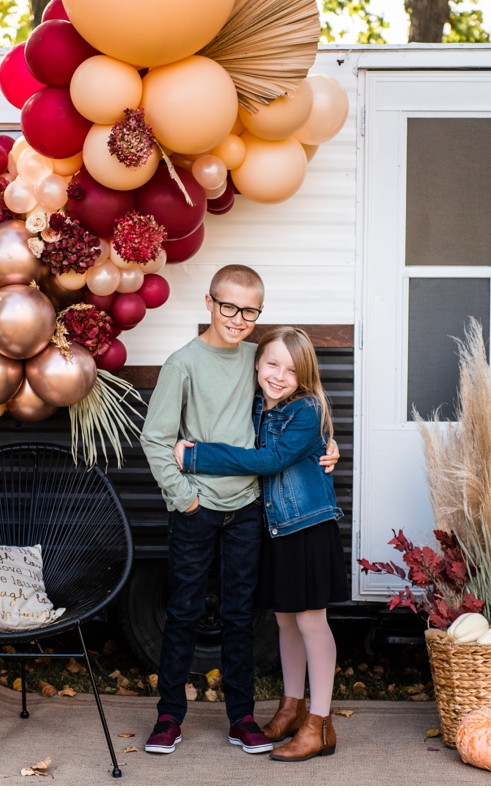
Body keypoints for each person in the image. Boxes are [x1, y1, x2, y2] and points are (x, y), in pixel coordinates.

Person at [138, 265, 334, 756]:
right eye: (229, 307)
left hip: (248, 507)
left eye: (250, 311)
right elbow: (155, 439)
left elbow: (296, 405)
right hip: (196, 508)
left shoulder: (259, 359)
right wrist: (182, 496)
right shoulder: (183, 363)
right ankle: (169, 716)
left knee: (240, 614)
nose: (239, 318)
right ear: (209, 303)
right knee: (182, 611)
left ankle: (242, 718)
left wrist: (328, 444)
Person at [175, 327, 348, 762]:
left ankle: (319, 723)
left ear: (304, 376)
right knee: (285, 622)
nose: (279, 375)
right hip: (275, 528)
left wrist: (197, 456)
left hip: (306, 525)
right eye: (272, 363)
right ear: (256, 363)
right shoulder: (253, 406)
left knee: (311, 622)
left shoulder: (306, 410)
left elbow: (269, 460)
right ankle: (291, 707)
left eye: (292, 369)